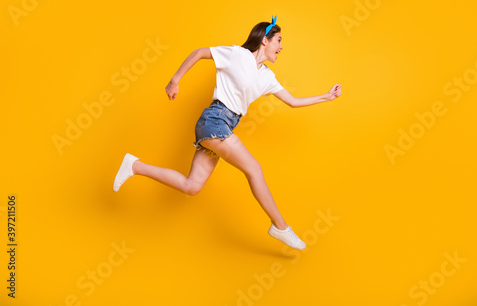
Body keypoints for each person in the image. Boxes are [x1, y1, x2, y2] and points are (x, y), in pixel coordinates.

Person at [113, 16, 342, 250]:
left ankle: (134, 166)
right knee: (254, 169)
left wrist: (326, 96)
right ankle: (280, 226)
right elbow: (200, 52)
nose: (282, 47)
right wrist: (175, 80)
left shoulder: (267, 77)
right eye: (279, 40)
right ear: (265, 40)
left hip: (224, 125)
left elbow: (292, 101)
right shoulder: (238, 55)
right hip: (215, 120)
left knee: (192, 186)